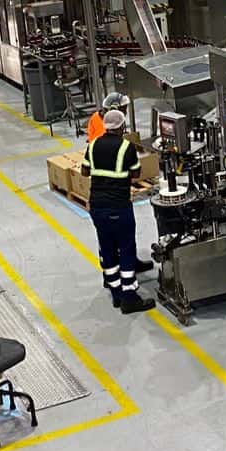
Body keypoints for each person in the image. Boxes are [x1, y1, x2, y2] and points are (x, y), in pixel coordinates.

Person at [81, 109, 155, 314]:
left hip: (97, 206)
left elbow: (85, 171)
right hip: (118, 206)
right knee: (126, 249)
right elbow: (136, 173)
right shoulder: (126, 147)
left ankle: (116, 294)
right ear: (122, 127)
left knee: (107, 249)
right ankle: (129, 298)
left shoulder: (93, 144)